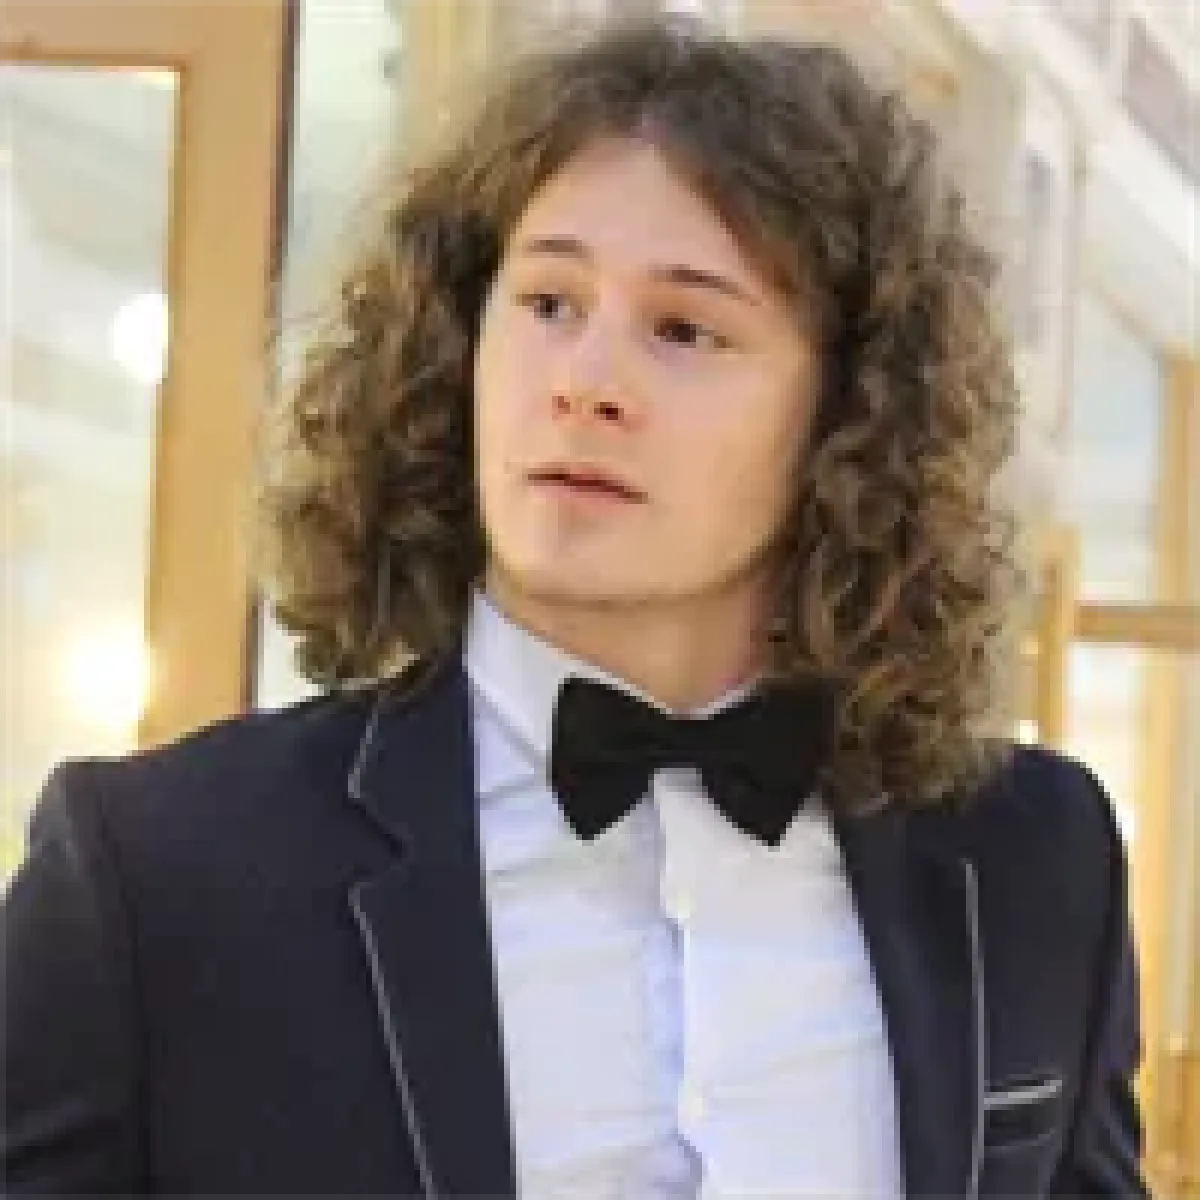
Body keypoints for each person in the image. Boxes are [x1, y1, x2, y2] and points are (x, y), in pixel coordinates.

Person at [0, 17, 1148, 1200]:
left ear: (849, 416)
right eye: (549, 302)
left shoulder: (1034, 862)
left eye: (685, 328)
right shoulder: (161, 871)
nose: (584, 383)